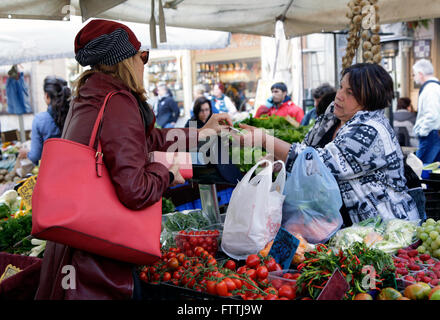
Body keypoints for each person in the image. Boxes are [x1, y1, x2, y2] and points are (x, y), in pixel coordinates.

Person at [34, 19, 232, 300]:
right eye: (143, 56)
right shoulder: (118, 101)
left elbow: (147, 139)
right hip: (98, 257)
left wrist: (200, 133)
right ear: (125, 60)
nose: (144, 64)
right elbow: (135, 190)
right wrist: (167, 173)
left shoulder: (90, 96)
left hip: (75, 241)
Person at [238, 63, 420, 226]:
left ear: (368, 100)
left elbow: (318, 163)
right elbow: (306, 150)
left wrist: (265, 140)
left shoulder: (371, 130)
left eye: (350, 93)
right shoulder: (333, 116)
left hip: (381, 230)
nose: (339, 96)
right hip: (330, 226)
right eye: (341, 87)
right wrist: (278, 162)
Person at [18, 76, 71, 165]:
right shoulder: (74, 115)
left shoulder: (39, 120)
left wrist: (27, 152)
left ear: (47, 95)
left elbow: (35, 156)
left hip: (53, 170)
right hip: (75, 166)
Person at [412, 59, 440, 164]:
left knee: (419, 169)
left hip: (430, 135)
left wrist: (422, 132)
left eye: (414, 74)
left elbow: (432, 115)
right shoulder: (436, 87)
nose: (414, 78)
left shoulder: (430, 89)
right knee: (434, 171)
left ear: (420, 74)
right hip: (435, 133)